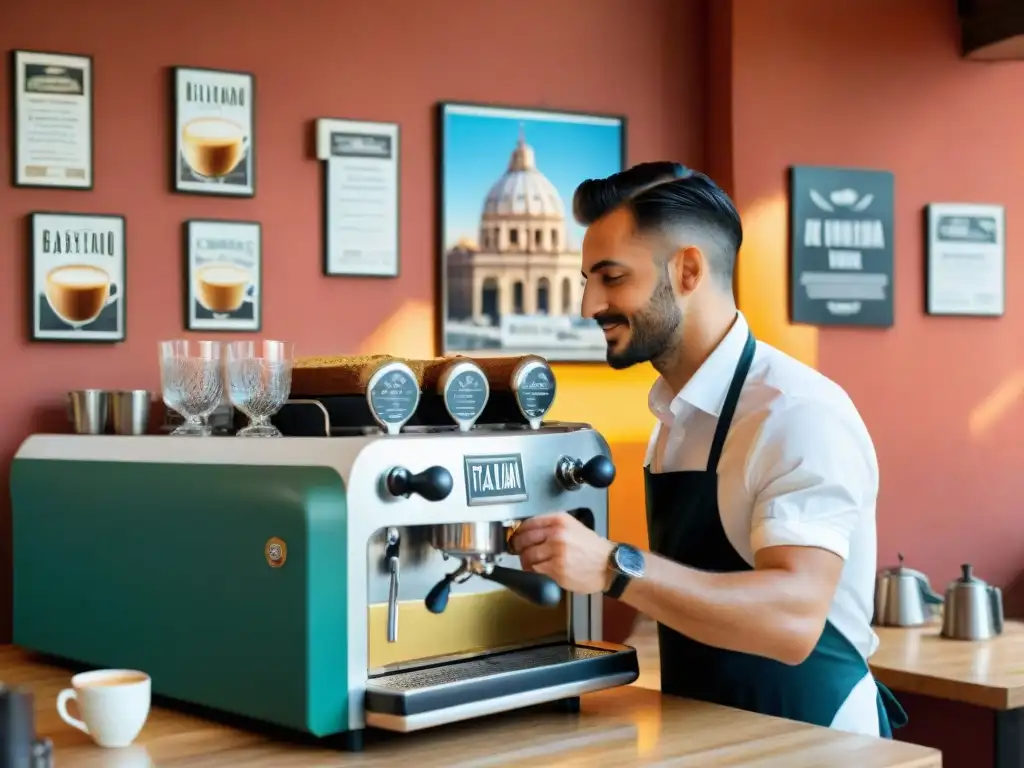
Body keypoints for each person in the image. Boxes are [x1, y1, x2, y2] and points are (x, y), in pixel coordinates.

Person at [508, 162, 905, 738]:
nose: (590, 304)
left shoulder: (794, 412)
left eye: (611, 277)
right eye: (586, 280)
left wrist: (612, 566)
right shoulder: (674, 414)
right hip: (712, 734)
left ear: (688, 269)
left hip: (816, 741)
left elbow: (793, 619)